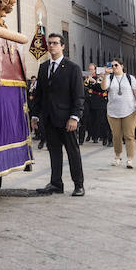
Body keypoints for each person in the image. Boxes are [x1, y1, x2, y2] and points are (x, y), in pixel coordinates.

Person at [31, 33, 85, 197]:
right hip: (49, 118)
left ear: (63, 46)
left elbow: (78, 96)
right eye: (50, 43)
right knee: (54, 152)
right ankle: (56, 183)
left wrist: (75, 117)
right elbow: (39, 94)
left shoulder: (72, 68)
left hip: (67, 119)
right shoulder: (43, 67)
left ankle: (78, 185)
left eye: (55, 43)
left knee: (72, 152)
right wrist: (35, 116)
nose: (52, 46)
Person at [102, 58, 136, 169]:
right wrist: (105, 75)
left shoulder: (130, 78)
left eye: (116, 65)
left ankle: (130, 159)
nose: (114, 67)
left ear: (122, 66)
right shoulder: (110, 77)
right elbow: (104, 87)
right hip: (113, 111)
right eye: (112, 65)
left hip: (129, 110)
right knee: (116, 135)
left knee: (129, 135)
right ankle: (118, 156)